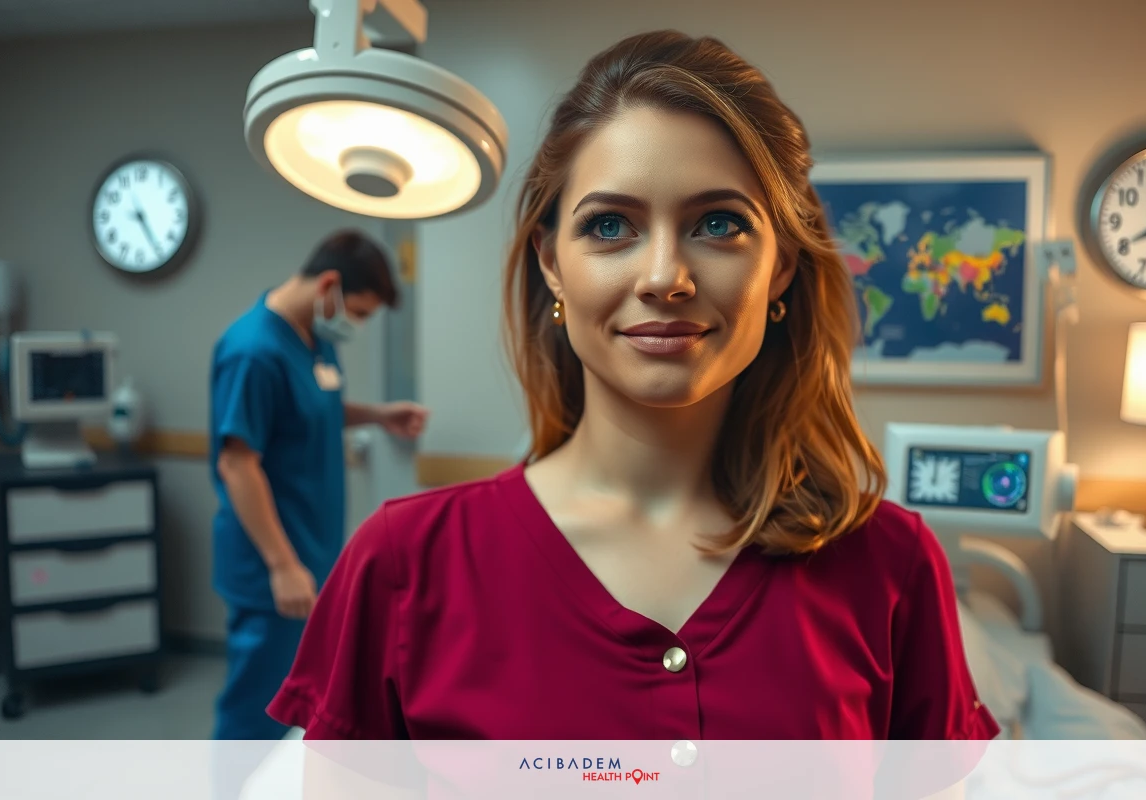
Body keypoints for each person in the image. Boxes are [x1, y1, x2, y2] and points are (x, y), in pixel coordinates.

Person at [266, 32, 998, 743]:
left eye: (718, 224)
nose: (662, 279)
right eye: (611, 226)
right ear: (552, 262)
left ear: (780, 267)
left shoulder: (892, 567)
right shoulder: (399, 567)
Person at [209, 229, 429, 740]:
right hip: (272, 567)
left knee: (302, 701)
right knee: (256, 710)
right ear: (328, 284)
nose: (357, 324)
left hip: (313, 555)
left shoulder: (316, 340)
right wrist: (283, 566)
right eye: (359, 311)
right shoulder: (253, 351)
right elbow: (237, 464)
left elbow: (309, 409)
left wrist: (377, 414)